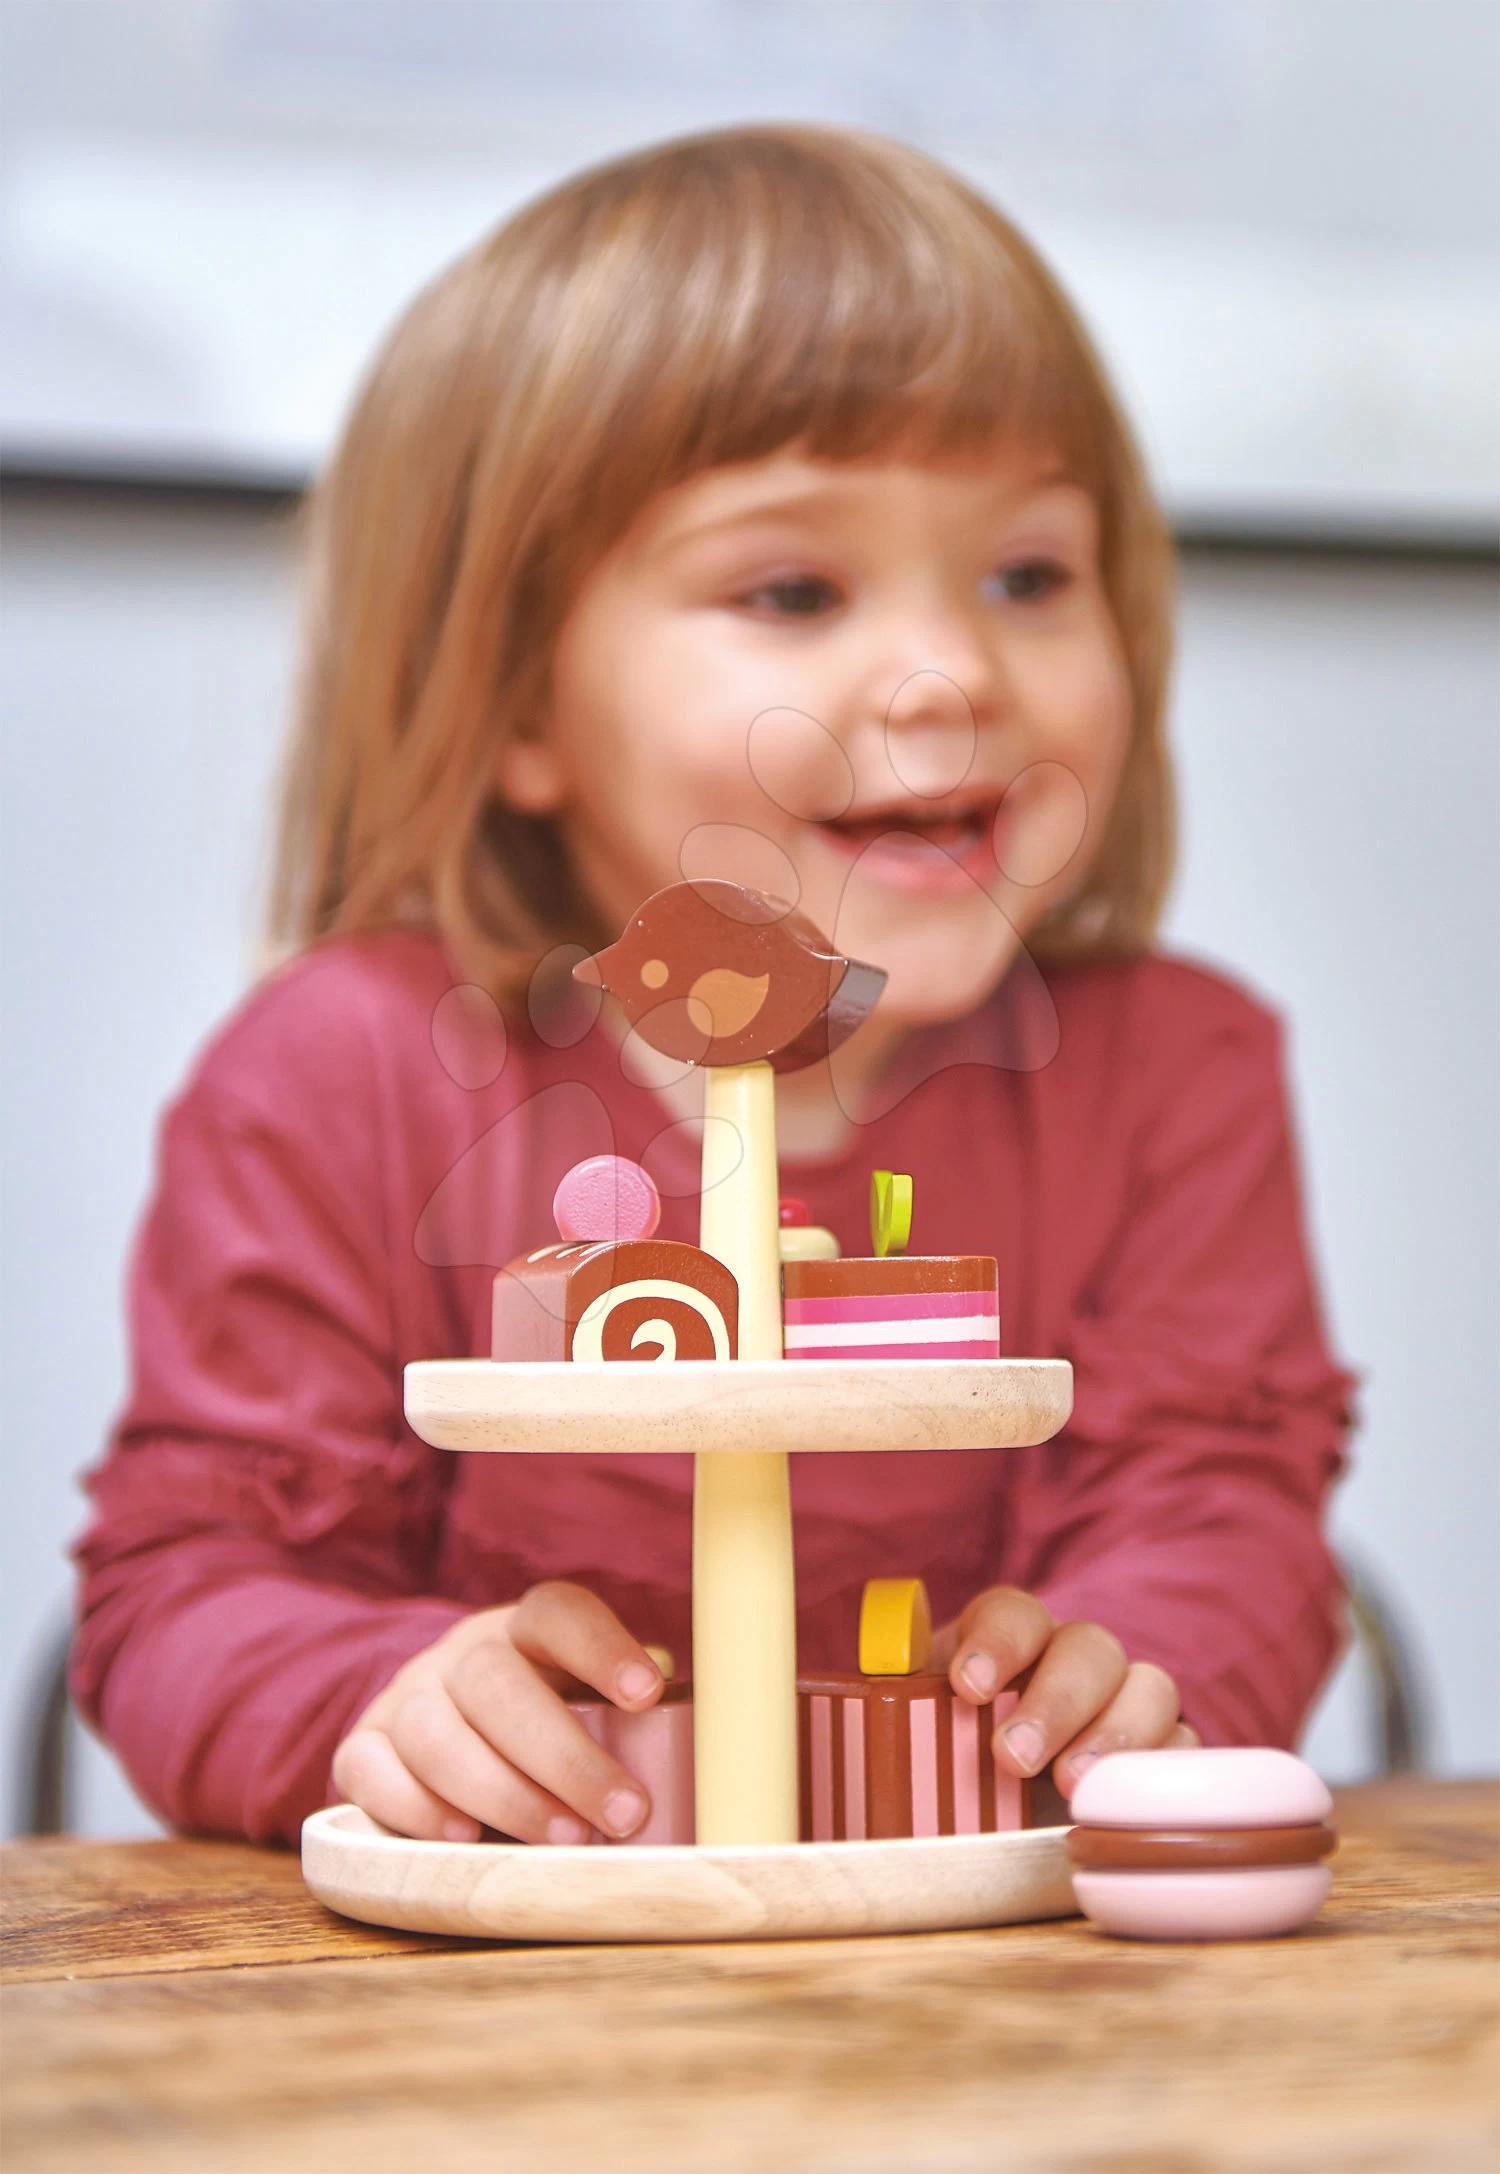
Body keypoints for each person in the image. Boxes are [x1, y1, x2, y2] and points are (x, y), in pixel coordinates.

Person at [71, 125, 1355, 1850]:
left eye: (1030, 574)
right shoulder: (340, 1070)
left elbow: (1220, 1511)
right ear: (519, 703)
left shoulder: (1176, 1070)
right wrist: (377, 1698)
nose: (953, 669)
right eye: (795, 586)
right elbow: (194, 1580)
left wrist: (1147, 1671)